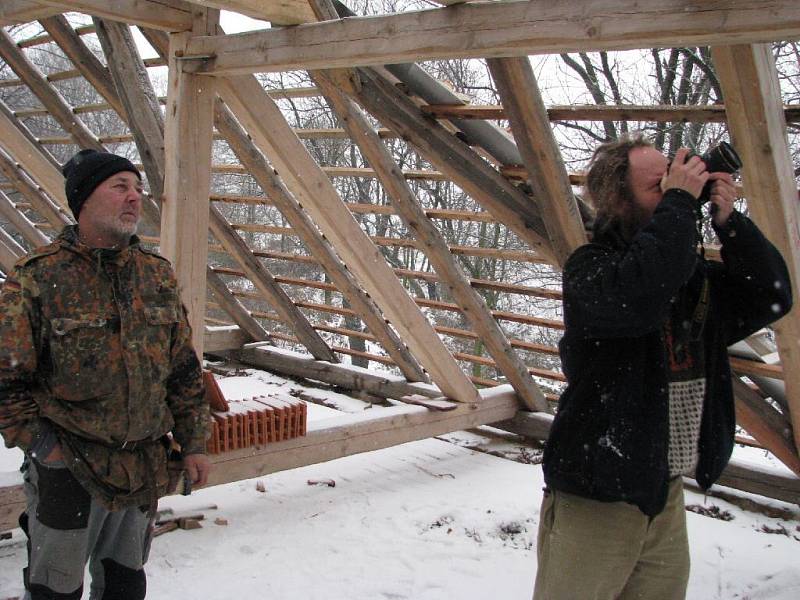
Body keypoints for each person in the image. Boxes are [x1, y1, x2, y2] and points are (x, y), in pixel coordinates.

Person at [534, 134, 792, 599]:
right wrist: (680, 201)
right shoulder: (591, 271)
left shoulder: (693, 281)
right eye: (661, 186)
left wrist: (729, 223)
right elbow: (640, 297)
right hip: (597, 493)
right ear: (619, 200)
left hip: (663, 490)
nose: (681, 194)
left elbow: (773, 293)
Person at [0, 149, 212, 600]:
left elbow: (183, 369)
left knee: (124, 585)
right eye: (120, 186)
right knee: (56, 588)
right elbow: (5, 379)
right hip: (70, 470)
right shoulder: (38, 278)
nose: (134, 198)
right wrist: (44, 446)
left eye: (137, 189)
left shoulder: (156, 276)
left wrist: (194, 443)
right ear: (83, 201)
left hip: (142, 469)